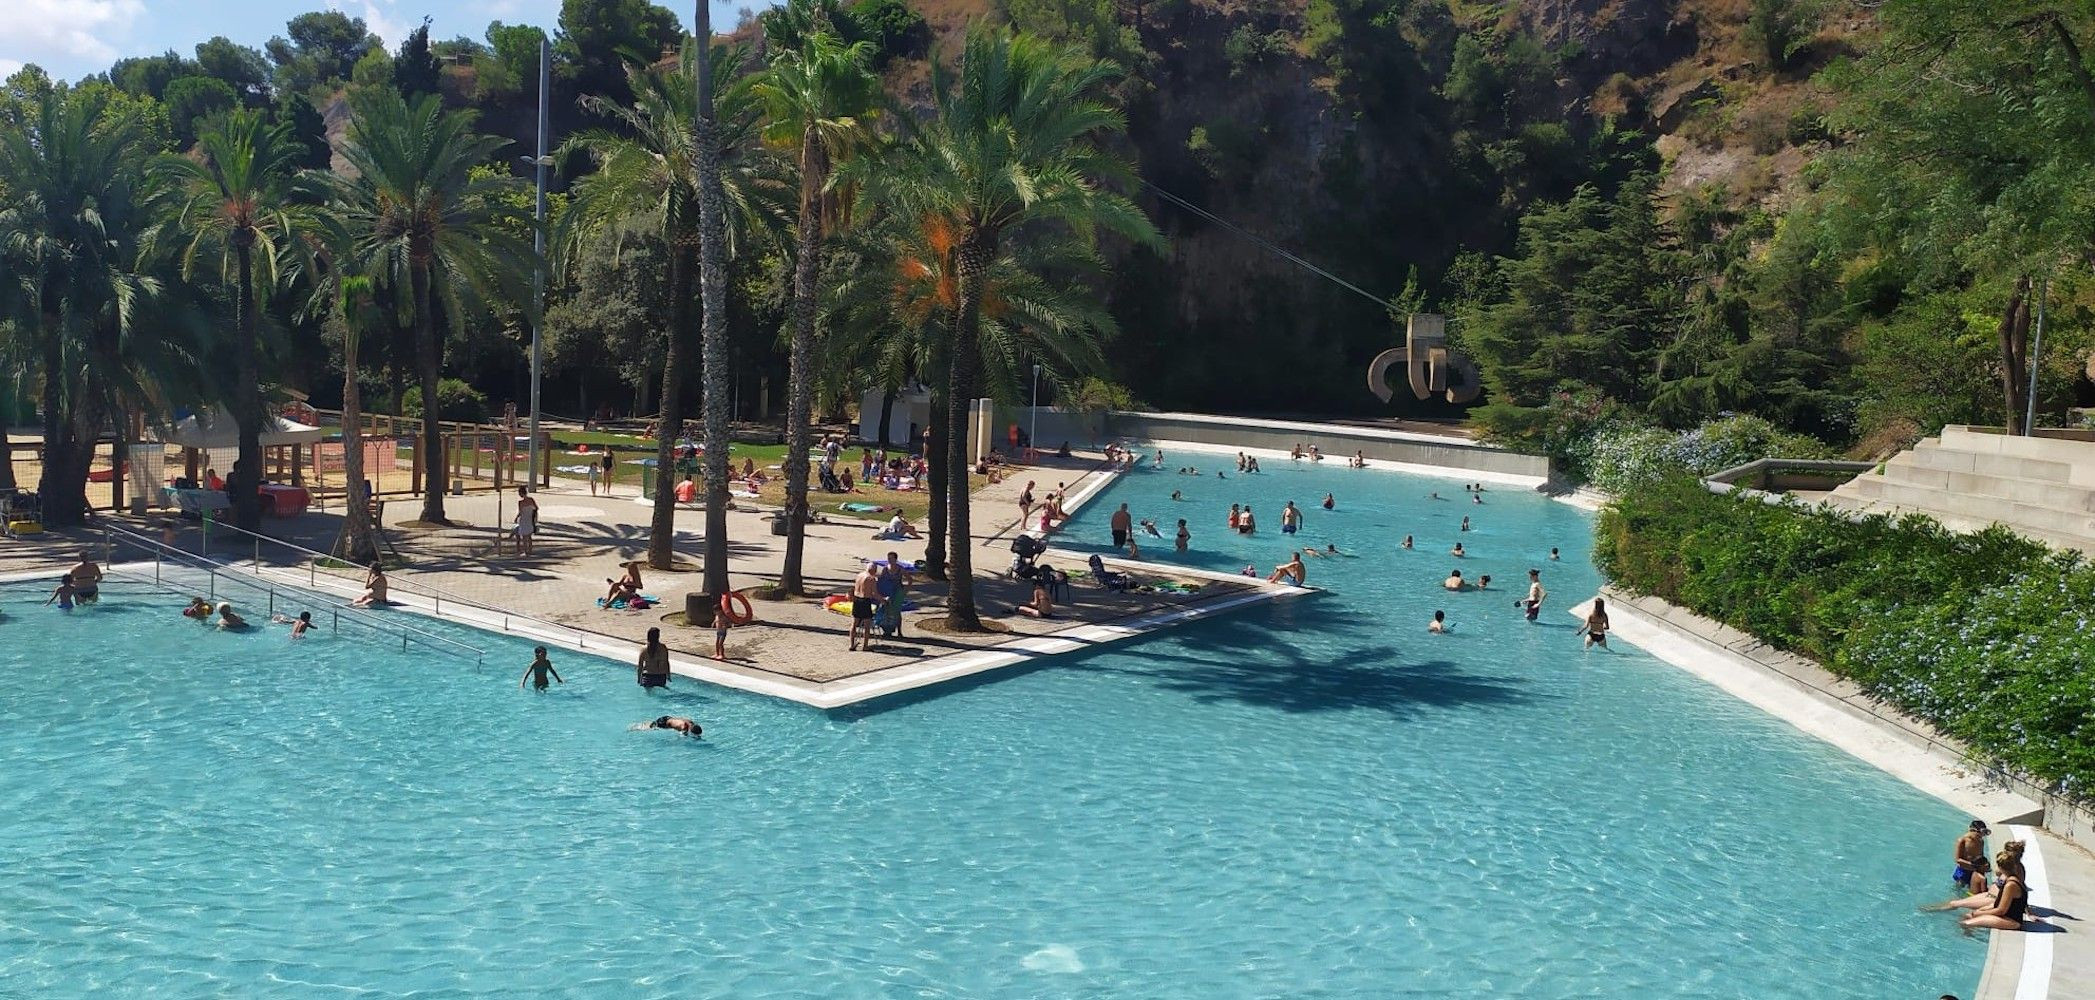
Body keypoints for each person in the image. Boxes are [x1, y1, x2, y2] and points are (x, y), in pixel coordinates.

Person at [1960, 851, 2030, 931]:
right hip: (2006, 916)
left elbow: (2001, 911)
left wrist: (1979, 913)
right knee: (1967, 916)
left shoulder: (2010, 885)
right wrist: (1983, 909)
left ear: (2000, 868)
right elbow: (1999, 904)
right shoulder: (2012, 879)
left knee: (1965, 923)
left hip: (2012, 921)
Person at [1953, 821, 1993, 896]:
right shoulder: (1962, 840)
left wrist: (1985, 866)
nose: (1982, 836)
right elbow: (1958, 860)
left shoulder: (1981, 841)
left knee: (1974, 893)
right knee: (1959, 892)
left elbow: (1981, 857)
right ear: (1973, 830)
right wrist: (1974, 865)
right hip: (1963, 872)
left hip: (1975, 871)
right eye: (1982, 833)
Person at [849, 564, 882, 651]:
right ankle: (865, 646)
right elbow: (874, 594)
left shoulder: (859, 575)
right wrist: (883, 600)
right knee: (867, 624)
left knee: (854, 623)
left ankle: (852, 644)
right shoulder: (871, 579)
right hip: (865, 601)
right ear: (874, 570)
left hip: (856, 600)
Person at [878, 550, 909, 640]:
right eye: (888, 558)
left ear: (895, 559)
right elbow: (881, 580)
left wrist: (906, 591)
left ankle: (899, 631)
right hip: (887, 592)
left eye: (891, 558)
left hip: (897, 592)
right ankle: (887, 631)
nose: (890, 560)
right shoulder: (885, 568)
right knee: (886, 611)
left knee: (897, 612)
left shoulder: (900, 569)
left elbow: (909, 579)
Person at [511, 486, 539, 557]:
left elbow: (520, 512)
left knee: (524, 536)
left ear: (521, 493)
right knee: (529, 536)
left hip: (523, 520)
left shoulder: (520, 502)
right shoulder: (531, 500)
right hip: (530, 519)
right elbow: (536, 508)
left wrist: (516, 518)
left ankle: (526, 551)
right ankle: (530, 550)